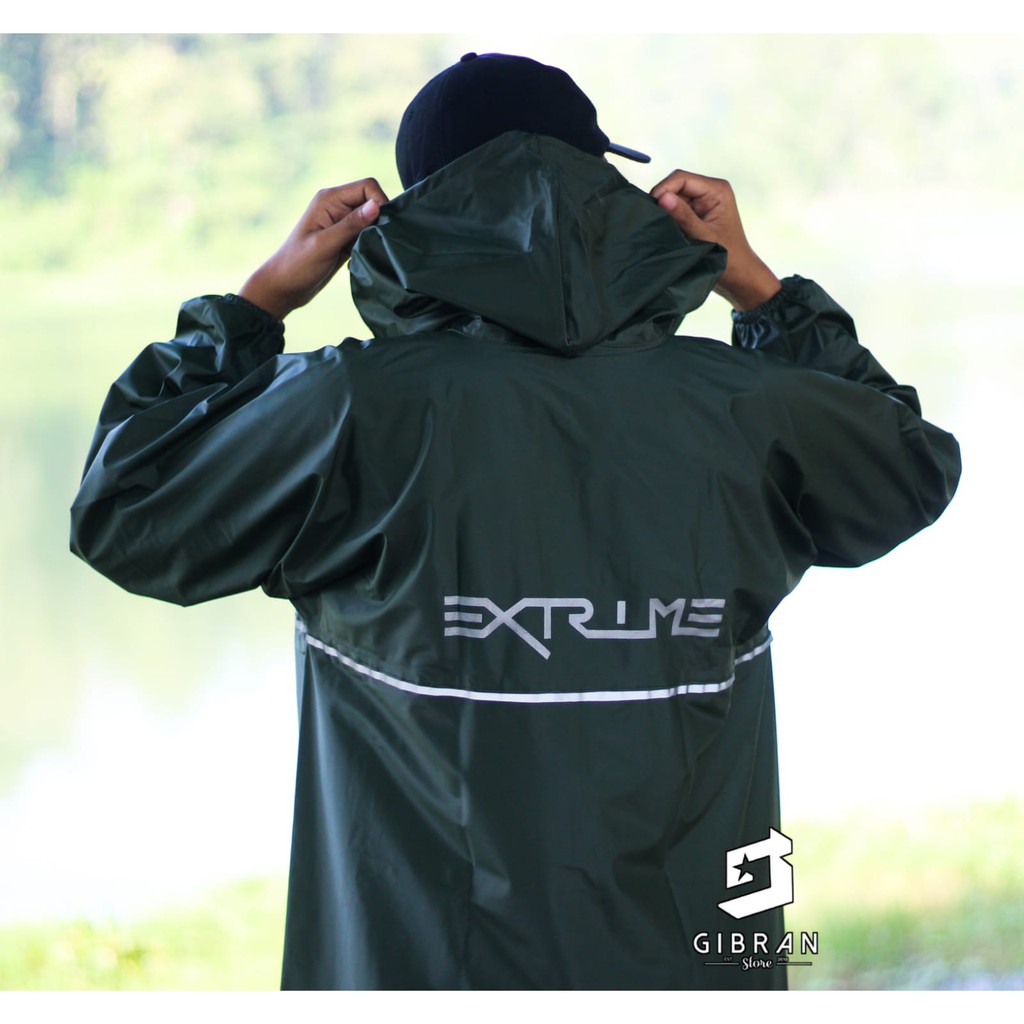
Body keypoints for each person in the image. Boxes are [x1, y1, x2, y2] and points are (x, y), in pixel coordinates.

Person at [70, 53, 961, 990]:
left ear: (411, 208)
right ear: (604, 185)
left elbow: (125, 508)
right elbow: (908, 468)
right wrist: (761, 292)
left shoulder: (348, 409)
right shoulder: (743, 408)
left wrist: (260, 302)